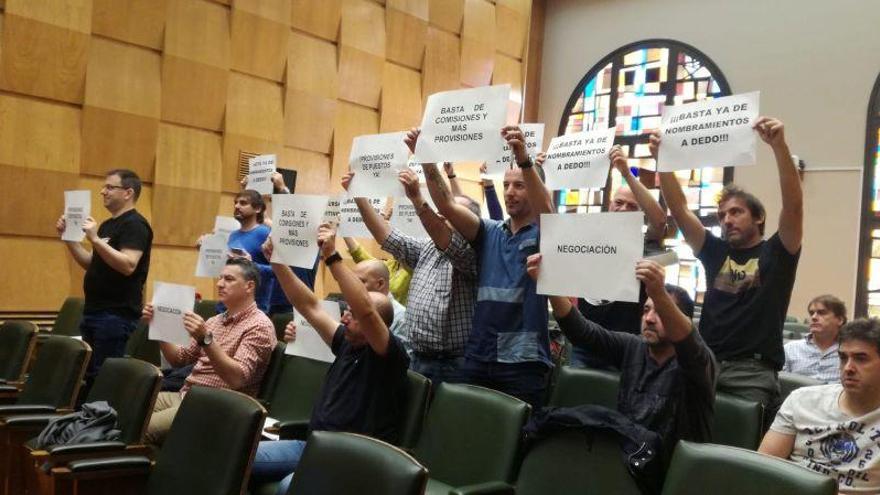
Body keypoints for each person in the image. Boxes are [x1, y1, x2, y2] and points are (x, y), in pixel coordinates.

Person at [652, 116, 803, 420]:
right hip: (704, 361)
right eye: (722, 215)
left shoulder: (778, 252)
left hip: (752, 373)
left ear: (758, 218)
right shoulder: (715, 252)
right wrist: (662, 160)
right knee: (687, 443)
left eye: (736, 212)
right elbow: (680, 210)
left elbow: (794, 207)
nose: (727, 220)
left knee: (735, 454)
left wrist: (779, 147)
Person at [250, 226, 409, 495]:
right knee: (239, 454)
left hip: (351, 458)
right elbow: (308, 305)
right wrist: (277, 261)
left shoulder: (389, 356)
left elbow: (367, 311)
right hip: (312, 446)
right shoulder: (347, 342)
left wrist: (332, 256)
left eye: (352, 314)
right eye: (346, 311)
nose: (345, 316)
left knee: (289, 487)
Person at [527, 254, 716, 460]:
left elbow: (689, 342)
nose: (650, 319)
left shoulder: (699, 363)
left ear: (682, 320)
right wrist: (549, 284)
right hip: (630, 463)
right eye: (646, 310)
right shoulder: (634, 346)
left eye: (660, 312)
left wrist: (658, 293)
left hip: (677, 473)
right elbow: (583, 333)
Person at [422, 125, 554, 408]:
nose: (509, 192)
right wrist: (425, 157)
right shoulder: (490, 231)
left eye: (519, 185)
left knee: (517, 441)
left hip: (523, 361)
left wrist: (524, 160)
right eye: (506, 185)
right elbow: (445, 205)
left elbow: (548, 214)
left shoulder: (548, 234)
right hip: (480, 354)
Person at [344, 132, 480, 384]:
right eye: (442, 211)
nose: (441, 217)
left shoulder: (471, 255)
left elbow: (446, 239)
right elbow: (387, 236)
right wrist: (359, 196)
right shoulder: (427, 248)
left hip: (452, 363)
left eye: (450, 213)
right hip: (418, 357)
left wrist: (418, 194)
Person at [142, 258, 276, 445]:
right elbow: (179, 360)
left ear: (249, 286)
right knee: (126, 413)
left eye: (229, 279)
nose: (220, 284)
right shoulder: (214, 321)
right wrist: (158, 327)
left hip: (217, 406)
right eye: (220, 278)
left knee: (142, 430)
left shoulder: (259, 326)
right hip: (186, 394)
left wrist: (206, 340)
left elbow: (237, 379)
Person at [572, 144, 668, 369]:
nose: (624, 209)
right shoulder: (589, 241)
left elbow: (660, 221)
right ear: (609, 206)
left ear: (641, 213)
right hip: (585, 341)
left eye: (632, 206)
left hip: (625, 345)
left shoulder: (648, 246)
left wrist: (626, 173)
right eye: (619, 203)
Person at [56, 169, 153, 392]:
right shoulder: (108, 225)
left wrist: (95, 239)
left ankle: (100, 425)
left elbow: (129, 264)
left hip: (115, 315)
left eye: (110, 187)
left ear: (128, 192)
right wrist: (69, 239)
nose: (102, 192)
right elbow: (92, 263)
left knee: (104, 380)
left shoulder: (135, 225)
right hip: (94, 311)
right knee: (88, 378)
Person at [759, 318, 880, 494]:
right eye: (843, 357)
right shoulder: (802, 400)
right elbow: (764, 468)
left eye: (861, 359)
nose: (848, 368)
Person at [783, 295, 847, 383]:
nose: (814, 317)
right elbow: (780, 385)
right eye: (811, 313)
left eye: (822, 313)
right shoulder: (790, 348)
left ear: (840, 320)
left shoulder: (848, 351)